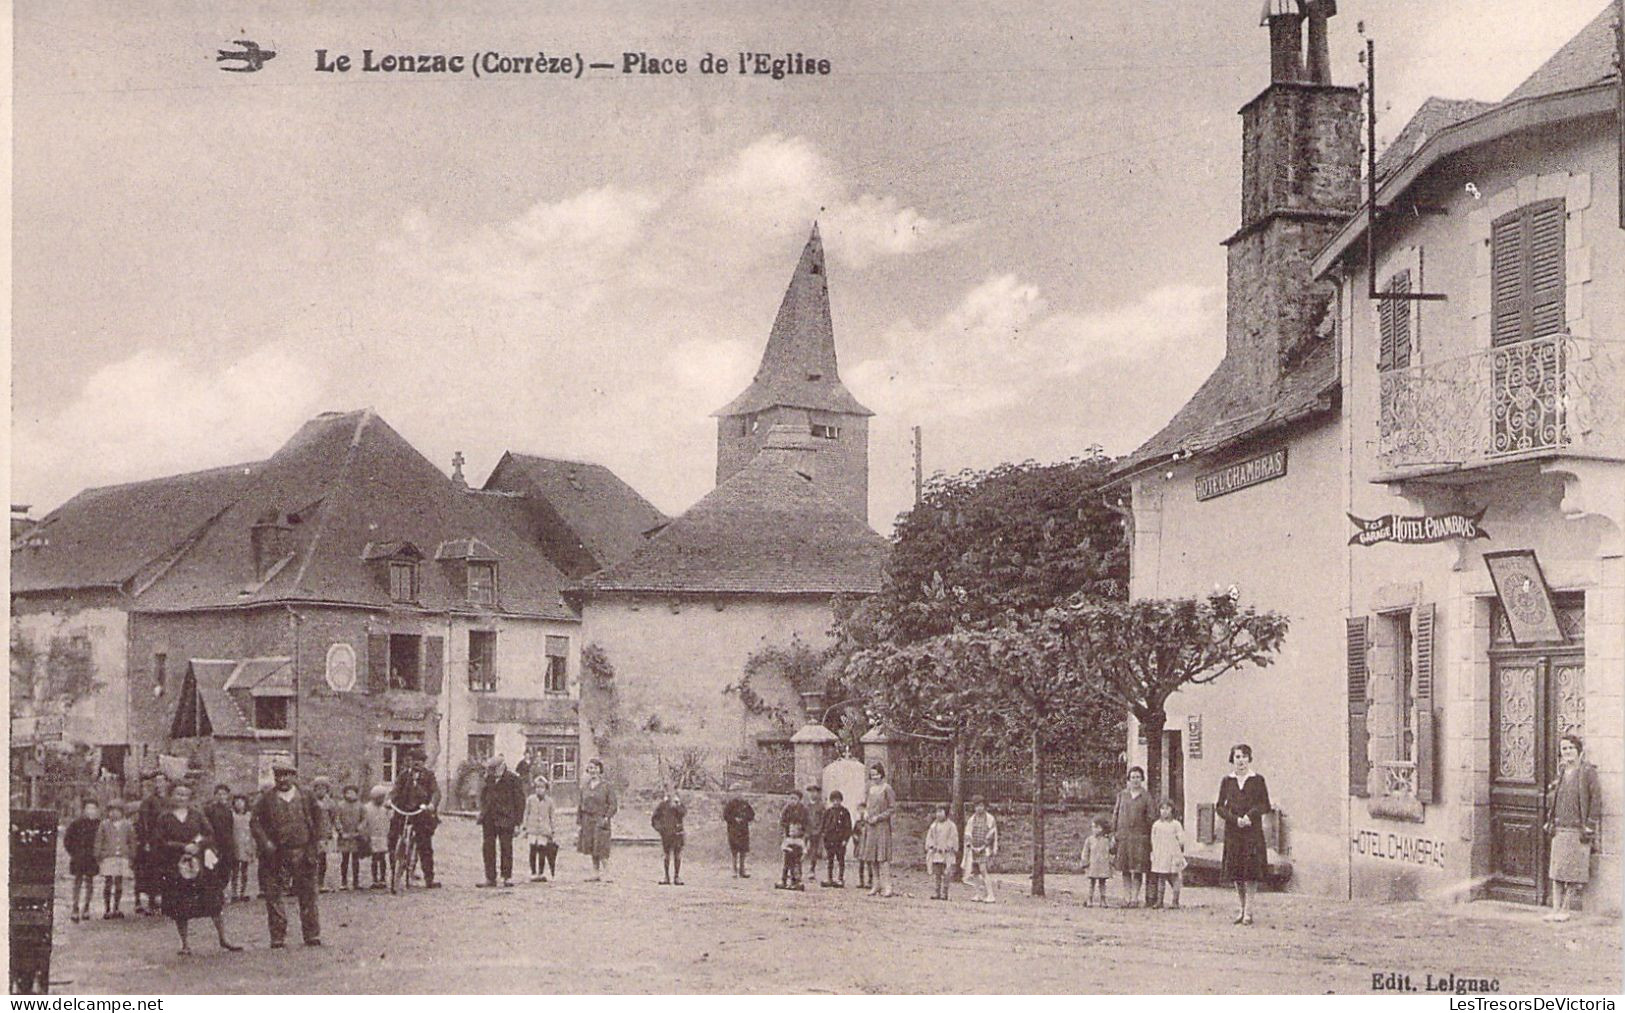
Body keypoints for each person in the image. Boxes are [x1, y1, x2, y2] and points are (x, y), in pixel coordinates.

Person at [153, 782, 240, 955]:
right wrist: (181, 847)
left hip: (200, 865)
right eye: (178, 794)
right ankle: (185, 944)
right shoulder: (164, 818)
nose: (181, 798)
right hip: (176, 865)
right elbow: (160, 841)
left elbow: (209, 834)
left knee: (213, 901)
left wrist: (196, 845)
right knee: (181, 906)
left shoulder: (197, 815)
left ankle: (223, 938)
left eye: (185, 795)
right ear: (171, 796)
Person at [250, 762, 322, 948]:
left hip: (303, 850)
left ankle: (312, 934)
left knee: (308, 895)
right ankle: (278, 936)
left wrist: (316, 843)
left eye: (286, 775)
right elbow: (255, 822)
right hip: (277, 854)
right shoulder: (266, 798)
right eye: (279, 775)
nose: (282, 779)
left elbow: (319, 819)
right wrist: (265, 842)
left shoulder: (306, 796)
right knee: (274, 896)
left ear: (294, 776)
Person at [1544, 733, 1602, 922]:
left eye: (1570, 748)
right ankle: (1554, 910)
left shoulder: (1587, 772)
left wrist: (1590, 825)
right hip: (1560, 827)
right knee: (1557, 870)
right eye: (1564, 748)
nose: (1567, 752)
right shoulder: (1561, 771)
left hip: (1578, 829)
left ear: (1579, 750)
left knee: (1572, 871)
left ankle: (1565, 909)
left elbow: (1596, 800)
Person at [1216, 743, 1270, 926]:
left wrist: (1249, 816)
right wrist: (1234, 819)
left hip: (1252, 831)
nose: (1241, 761)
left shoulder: (1258, 780)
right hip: (1233, 831)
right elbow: (1219, 806)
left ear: (1250, 759)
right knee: (1237, 872)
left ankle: (1249, 910)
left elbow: (1265, 805)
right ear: (1233, 759)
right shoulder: (1227, 781)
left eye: (1244, 756)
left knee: (1250, 872)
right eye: (1237, 757)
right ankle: (1241, 907)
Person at [389, 749, 441, 889]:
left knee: (425, 846)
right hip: (403, 811)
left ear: (424, 763)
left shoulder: (429, 776)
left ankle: (429, 878)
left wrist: (432, 804)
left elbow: (436, 792)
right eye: (414, 761)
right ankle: (393, 872)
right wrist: (390, 801)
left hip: (421, 812)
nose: (417, 764)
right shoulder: (404, 776)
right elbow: (395, 791)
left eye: (420, 761)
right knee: (393, 838)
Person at [477, 755, 525, 887]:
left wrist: (517, 823)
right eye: (490, 769)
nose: (492, 772)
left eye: (494, 769)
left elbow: (520, 802)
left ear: (502, 766)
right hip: (489, 819)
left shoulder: (513, 779)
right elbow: (483, 795)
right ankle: (490, 878)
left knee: (506, 848)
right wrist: (482, 811)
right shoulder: (489, 778)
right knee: (488, 849)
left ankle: (507, 877)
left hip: (506, 819)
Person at [1111, 766, 1155, 907]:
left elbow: (1151, 817)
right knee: (1125, 868)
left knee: (1137, 869)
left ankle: (1135, 898)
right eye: (1133, 777)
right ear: (1129, 780)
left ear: (1142, 779)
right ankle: (1126, 897)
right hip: (1124, 836)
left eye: (1138, 777)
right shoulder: (1122, 795)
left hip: (1140, 838)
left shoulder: (1146, 796)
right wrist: (1114, 833)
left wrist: (1148, 835)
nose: (1135, 780)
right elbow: (1116, 814)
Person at [134, 771, 171, 915]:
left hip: (169, 840)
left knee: (168, 870)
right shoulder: (149, 801)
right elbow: (143, 822)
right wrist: (146, 841)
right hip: (154, 840)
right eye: (157, 781)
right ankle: (152, 902)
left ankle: (167, 901)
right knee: (153, 871)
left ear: (167, 783)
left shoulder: (171, 800)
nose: (159, 784)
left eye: (162, 781)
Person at [576, 758, 618, 881]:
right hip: (587, 820)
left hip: (600, 819)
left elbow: (613, 804)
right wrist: (579, 821)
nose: (592, 770)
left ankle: (607, 873)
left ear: (599, 769)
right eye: (590, 768)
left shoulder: (606, 786)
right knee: (591, 846)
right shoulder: (585, 786)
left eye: (595, 768)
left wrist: (606, 817)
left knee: (601, 846)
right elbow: (580, 804)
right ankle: (595, 873)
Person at [861, 763, 897, 898]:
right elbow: (867, 805)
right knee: (872, 857)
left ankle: (887, 886)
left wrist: (879, 817)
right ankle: (876, 884)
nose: (875, 777)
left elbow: (892, 808)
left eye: (877, 774)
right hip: (871, 827)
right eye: (872, 775)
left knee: (882, 857)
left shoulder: (887, 789)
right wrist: (865, 813)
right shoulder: (870, 789)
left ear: (882, 774)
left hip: (882, 826)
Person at [95, 799, 134, 919]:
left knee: (119, 883)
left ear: (122, 812)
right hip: (108, 856)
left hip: (122, 857)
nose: (114, 814)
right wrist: (98, 855)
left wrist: (131, 856)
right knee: (108, 882)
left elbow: (132, 841)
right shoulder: (104, 824)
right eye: (111, 811)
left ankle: (116, 908)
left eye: (117, 811)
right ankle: (107, 909)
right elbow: (99, 840)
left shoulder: (127, 825)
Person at [65, 799, 102, 923]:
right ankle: (75, 908)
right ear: (84, 810)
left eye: (93, 808)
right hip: (78, 857)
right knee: (78, 881)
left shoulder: (99, 824)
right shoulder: (76, 824)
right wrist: (74, 852)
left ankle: (86, 907)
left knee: (90, 882)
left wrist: (98, 855)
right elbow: (67, 840)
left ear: (97, 810)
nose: (91, 811)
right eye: (88, 808)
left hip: (92, 858)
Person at [1148, 799, 1187, 910]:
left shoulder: (1176, 824)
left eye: (1167, 809)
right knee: (1161, 877)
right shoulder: (1156, 825)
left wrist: (1178, 850)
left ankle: (1175, 901)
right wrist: (1154, 851)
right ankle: (1159, 901)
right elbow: (1153, 839)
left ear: (1172, 810)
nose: (1165, 811)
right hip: (1160, 853)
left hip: (1172, 853)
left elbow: (1181, 839)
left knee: (1175, 877)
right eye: (1162, 809)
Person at [961, 797, 999, 904]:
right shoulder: (972, 820)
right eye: (977, 806)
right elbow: (968, 834)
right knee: (975, 872)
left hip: (983, 849)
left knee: (983, 870)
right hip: (973, 849)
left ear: (985, 807)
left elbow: (991, 834)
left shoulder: (990, 819)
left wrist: (983, 847)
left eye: (981, 806)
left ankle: (990, 895)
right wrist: (972, 846)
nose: (979, 808)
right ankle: (978, 894)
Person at [203, 784, 238, 893]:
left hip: (227, 844)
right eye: (219, 794)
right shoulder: (209, 809)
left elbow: (231, 828)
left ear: (228, 796)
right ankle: (214, 892)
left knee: (226, 869)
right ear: (215, 796)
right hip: (215, 844)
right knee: (214, 869)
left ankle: (220, 890)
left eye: (224, 794)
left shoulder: (229, 811)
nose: (222, 796)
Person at [523, 778, 558, 882]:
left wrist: (552, 829)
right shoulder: (530, 800)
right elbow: (526, 813)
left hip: (544, 830)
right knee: (533, 850)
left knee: (542, 851)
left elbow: (552, 816)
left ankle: (541, 872)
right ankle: (533, 872)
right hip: (533, 828)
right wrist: (525, 826)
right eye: (537, 787)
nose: (539, 790)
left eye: (542, 787)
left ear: (546, 789)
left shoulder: (550, 801)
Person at [651, 788, 687, 885]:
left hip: (677, 833)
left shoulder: (679, 805)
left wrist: (678, 805)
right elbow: (654, 818)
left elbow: (683, 813)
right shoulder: (662, 805)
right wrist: (660, 829)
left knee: (677, 855)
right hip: (666, 834)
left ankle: (677, 876)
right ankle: (666, 876)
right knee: (666, 855)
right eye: (669, 793)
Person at [333, 785, 366, 891]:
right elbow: (336, 819)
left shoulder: (360, 806)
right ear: (344, 794)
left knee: (356, 860)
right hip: (345, 837)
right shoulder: (340, 805)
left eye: (352, 792)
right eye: (348, 792)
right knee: (345, 860)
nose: (350, 794)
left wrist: (359, 830)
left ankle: (356, 882)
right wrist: (341, 831)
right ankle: (343, 882)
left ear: (356, 794)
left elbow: (364, 819)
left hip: (356, 837)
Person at [924, 804, 958, 901]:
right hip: (936, 854)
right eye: (937, 812)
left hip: (946, 854)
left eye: (941, 812)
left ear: (946, 813)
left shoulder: (951, 826)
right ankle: (936, 892)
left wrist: (949, 846)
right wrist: (932, 846)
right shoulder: (934, 826)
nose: (938, 814)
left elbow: (953, 837)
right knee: (937, 874)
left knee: (946, 873)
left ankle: (944, 893)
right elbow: (930, 838)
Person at [819, 790, 853, 887]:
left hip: (840, 840)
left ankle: (840, 878)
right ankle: (829, 878)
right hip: (830, 839)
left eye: (837, 800)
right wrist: (824, 836)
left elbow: (848, 827)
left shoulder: (845, 812)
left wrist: (845, 840)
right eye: (833, 800)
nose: (835, 802)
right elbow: (824, 824)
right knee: (830, 859)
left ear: (841, 800)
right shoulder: (828, 812)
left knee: (840, 859)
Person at [1080, 814, 1113, 908]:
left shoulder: (1106, 840)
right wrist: (1084, 862)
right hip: (1093, 865)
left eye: (1097, 827)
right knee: (1091, 883)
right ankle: (1089, 899)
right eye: (1093, 827)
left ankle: (1103, 900)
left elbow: (1111, 851)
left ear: (1102, 828)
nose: (1094, 829)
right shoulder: (1089, 840)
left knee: (1102, 883)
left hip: (1103, 865)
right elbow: (1085, 852)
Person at [310, 777, 336, 893]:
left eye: (323, 788)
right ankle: (311, 883)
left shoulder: (330, 803)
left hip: (324, 834)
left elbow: (334, 817)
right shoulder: (311, 801)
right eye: (318, 788)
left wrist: (335, 829)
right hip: (312, 834)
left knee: (322, 858)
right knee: (311, 859)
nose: (321, 791)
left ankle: (321, 882)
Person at [363, 785, 391, 889]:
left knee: (382, 858)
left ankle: (383, 878)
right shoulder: (367, 808)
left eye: (383, 797)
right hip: (372, 836)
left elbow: (388, 821)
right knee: (374, 859)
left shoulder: (385, 809)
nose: (381, 800)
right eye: (380, 797)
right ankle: (374, 879)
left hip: (382, 836)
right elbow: (365, 822)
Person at [723, 795, 755, 878]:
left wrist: (744, 818)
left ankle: (742, 870)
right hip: (733, 830)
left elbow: (751, 815)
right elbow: (725, 815)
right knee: (734, 851)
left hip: (743, 830)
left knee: (743, 851)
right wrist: (734, 819)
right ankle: (734, 870)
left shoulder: (745, 804)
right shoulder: (731, 804)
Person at [230, 795, 255, 901]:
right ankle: (234, 893)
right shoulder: (232, 815)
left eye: (242, 802)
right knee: (235, 870)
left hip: (246, 844)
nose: (239, 804)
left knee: (245, 870)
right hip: (235, 844)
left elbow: (252, 831)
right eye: (237, 802)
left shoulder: (249, 815)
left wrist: (252, 846)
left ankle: (243, 892)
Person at [803, 784, 826, 883]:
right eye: (811, 792)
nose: (813, 794)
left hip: (816, 831)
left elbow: (823, 819)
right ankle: (797, 870)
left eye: (815, 792)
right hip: (806, 830)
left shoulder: (821, 806)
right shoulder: (805, 806)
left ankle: (812, 870)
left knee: (814, 851)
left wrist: (819, 830)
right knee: (801, 849)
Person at [777, 815, 807, 890]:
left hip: (797, 859)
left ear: (799, 832)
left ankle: (796, 882)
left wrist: (803, 857)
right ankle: (783, 881)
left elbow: (804, 850)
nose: (792, 832)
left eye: (794, 831)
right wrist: (787, 849)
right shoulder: (787, 840)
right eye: (790, 831)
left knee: (796, 870)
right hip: (788, 859)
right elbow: (782, 847)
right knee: (785, 869)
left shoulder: (800, 841)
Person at [852, 802, 871, 890]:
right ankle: (861, 881)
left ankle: (870, 881)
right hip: (860, 844)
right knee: (861, 864)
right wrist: (855, 837)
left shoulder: (869, 822)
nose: (862, 811)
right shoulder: (858, 823)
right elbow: (854, 832)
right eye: (860, 809)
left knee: (869, 863)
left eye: (863, 809)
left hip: (867, 844)